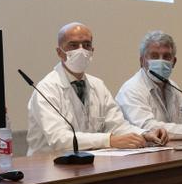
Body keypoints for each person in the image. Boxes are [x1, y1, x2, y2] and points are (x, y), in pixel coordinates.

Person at [27, 22, 166, 155]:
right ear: (59, 52)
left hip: (89, 165)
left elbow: (117, 125)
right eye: (73, 45)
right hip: (48, 170)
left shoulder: (98, 85)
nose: (81, 50)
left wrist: (145, 134)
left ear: (92, 51)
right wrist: (109, 140)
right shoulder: (46, 89)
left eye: (86, 45)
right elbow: (59, 139)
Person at [116, 31, 182, 140]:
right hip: (143, 155)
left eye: (166, 56)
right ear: (142, 61)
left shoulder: (173, 86)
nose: (161, 61)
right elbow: (149, 127)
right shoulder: (131, 89)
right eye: (154, 56)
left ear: (173, 62)